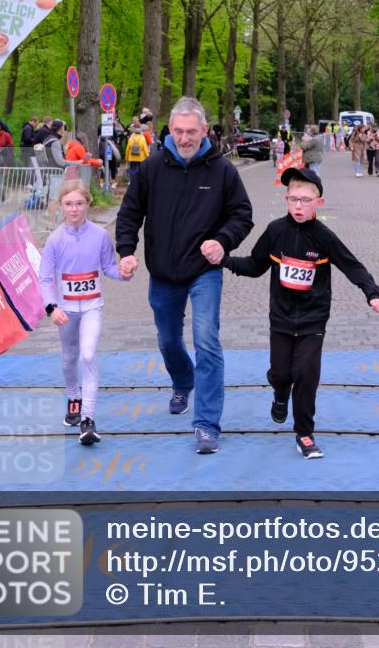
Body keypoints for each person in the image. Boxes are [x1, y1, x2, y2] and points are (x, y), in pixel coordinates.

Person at [115, 96, 253, 455]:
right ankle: (182, 380)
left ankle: (206, 424)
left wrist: (223, 241)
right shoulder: (153, 167)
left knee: (206, 341)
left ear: (204, 130)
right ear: (170, 130)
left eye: (191, 131)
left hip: (204, 270)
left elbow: (242, 214)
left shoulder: (222, 170)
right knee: (167, 341)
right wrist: (126, 251)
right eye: (178, 131)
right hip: (163, 271)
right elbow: (129, 212)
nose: (184, 138)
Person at [222, 167, 379, 460]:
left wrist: (372, 293)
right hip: (281, 317)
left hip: (313, 318)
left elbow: (352, 265)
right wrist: (223, 260)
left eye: (305, 200)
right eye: (293, 199)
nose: (298, 206)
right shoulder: (275, 231)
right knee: (281, 373)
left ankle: (305, 433)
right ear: (286, 199)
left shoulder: (324, 237)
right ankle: (280, 392)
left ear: (318, 203)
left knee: (306, 375)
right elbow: (255, 266)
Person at [39, 180, 130, 445]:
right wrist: (51, 308)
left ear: (88, 204)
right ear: (61, 206)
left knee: (88, 355)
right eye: (69, 204)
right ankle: (73, 396)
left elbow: (109, 267)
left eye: (79, 203)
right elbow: (45, 279)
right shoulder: (55, 240)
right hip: (66, 310)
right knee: (70, 357)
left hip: (91, 306)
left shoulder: (100, 235)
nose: (74, 209)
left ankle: (88, 419)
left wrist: (124, 273)